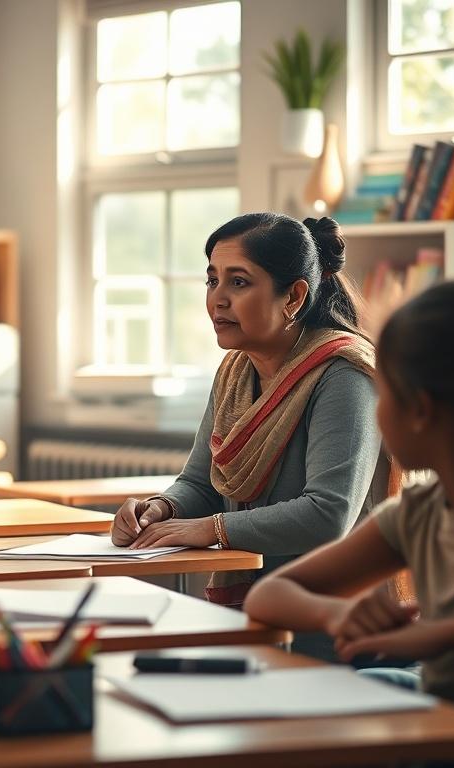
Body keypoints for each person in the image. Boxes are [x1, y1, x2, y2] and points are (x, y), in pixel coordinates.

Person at [244, 279, 454, 766]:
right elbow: (268, 596)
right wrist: (339, 614)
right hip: (447, 706)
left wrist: (446, 632)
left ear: (419, 408)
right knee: (344, 693)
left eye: (383, 393)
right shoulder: (416, 513)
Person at [111, 213, 392, 613]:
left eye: (238, 282)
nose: (217, 299)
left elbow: (329, 514)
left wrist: (210, 529)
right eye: (212, 280)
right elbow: (202, 484)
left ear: (293, 297)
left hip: (337, 614)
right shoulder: (236, 371)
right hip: (257, 602)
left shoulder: (344, 374)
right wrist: (160, 509)